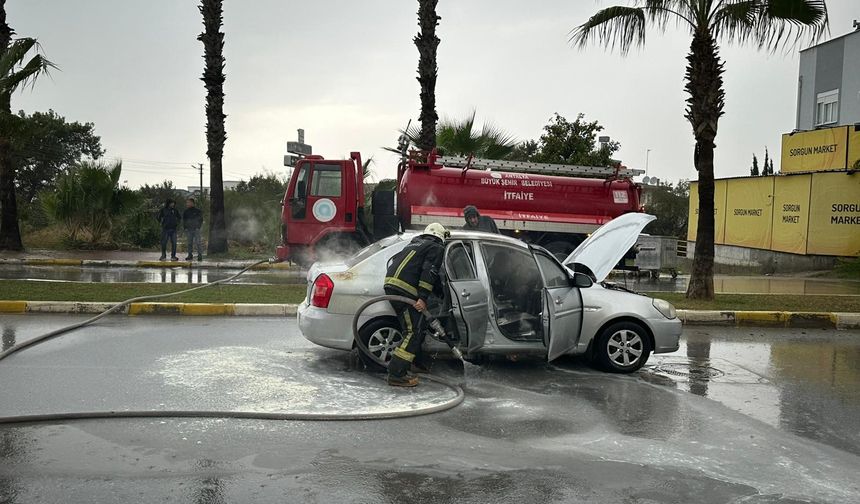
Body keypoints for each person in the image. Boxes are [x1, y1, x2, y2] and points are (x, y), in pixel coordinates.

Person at [383, 223, 449, 387]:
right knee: (413, 331)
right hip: (405, 291)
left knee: (414, 327)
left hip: (393, 285)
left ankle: (412, 363)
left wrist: (439, 293)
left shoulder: (415, 243)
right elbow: (430, 272)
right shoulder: (436, 247)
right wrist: (423, 298)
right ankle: (396, 374)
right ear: (440, 236)